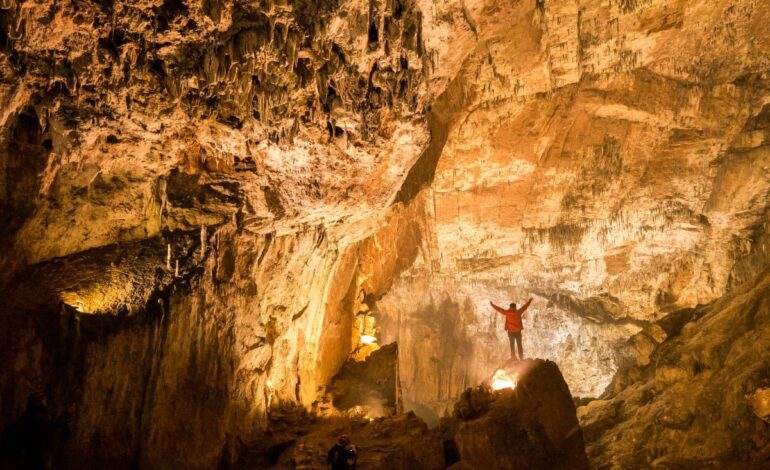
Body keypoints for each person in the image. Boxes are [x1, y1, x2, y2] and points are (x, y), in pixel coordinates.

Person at [0, 391, 69, 470]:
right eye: (44, 399)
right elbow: (45, 425)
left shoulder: (36, 413)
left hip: (40, 451)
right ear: (38, 401)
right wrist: (60, 424)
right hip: (38, 452)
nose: (46, 401)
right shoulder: (34, 415)